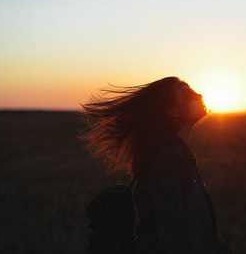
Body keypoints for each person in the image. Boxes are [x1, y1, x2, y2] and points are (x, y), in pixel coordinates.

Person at [80, 76, 232, 254]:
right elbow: (174, 234)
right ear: (171, 110)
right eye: (187, 93)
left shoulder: (176, 154)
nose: (198, 94)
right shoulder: (166, 159)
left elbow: (194, 227)